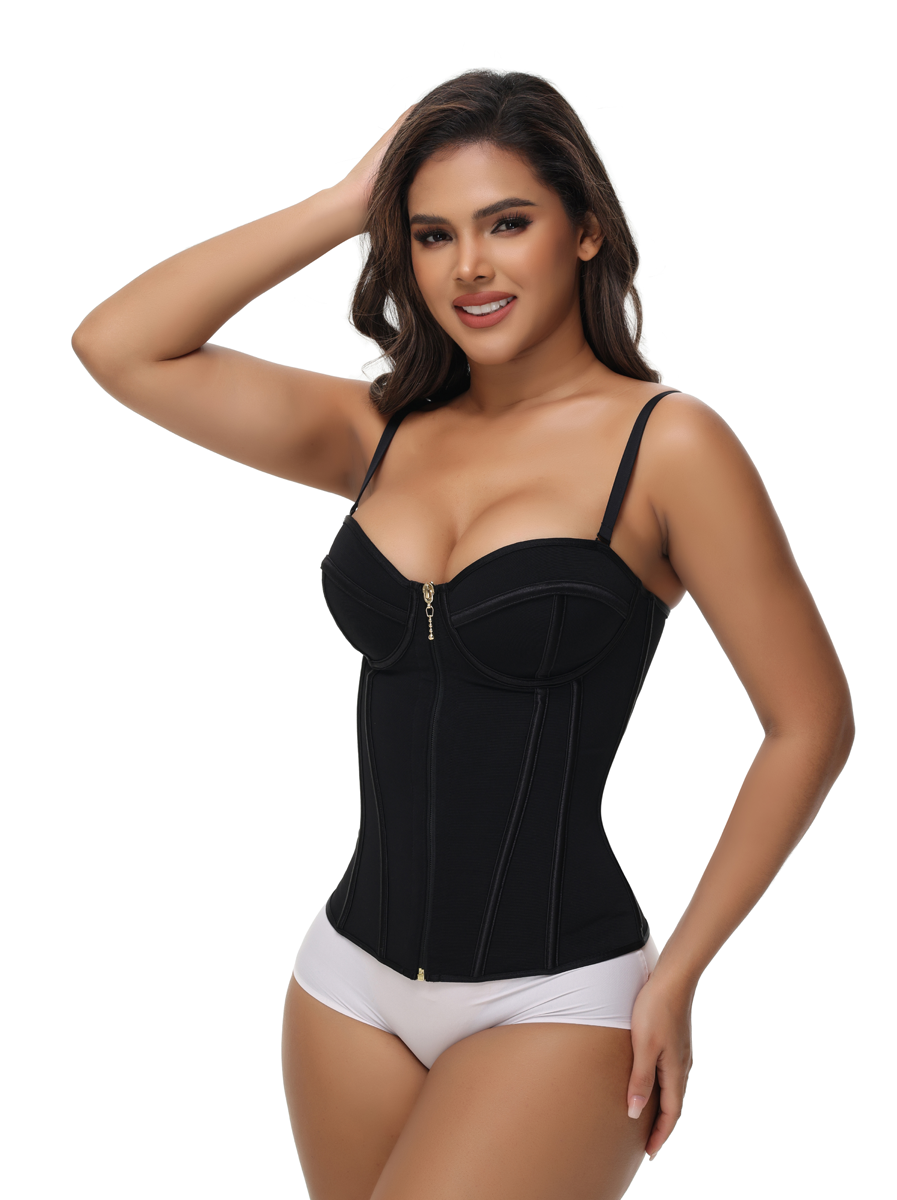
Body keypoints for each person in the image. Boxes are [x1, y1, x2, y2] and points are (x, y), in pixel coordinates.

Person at [72, 69, 854, 1200]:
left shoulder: (670, 447)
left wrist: (681, 972)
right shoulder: (377, 429)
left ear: (585, 230)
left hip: (558, 998)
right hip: (346, 986)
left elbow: (809, 723)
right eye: (432, 234)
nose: (469, 267)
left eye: (507, 223)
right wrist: (347, 201)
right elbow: (119, 346)